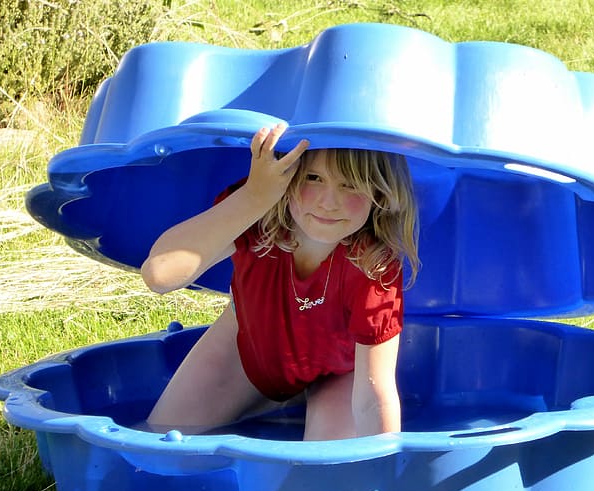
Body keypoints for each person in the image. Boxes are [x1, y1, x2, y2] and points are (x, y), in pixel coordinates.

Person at [140, 124, 420, 440]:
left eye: (351, 185)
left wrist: (385, 472)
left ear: (380, 193)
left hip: (341, 373)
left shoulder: (374, 263)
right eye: (314, 178)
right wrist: (254, 197)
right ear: (287, 175)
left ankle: (310, 407)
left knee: (332, 467)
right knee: (162, 438)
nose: (329, 202)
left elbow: (373, 396)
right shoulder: (258, 213)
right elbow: (159, 275)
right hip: (246, 349)